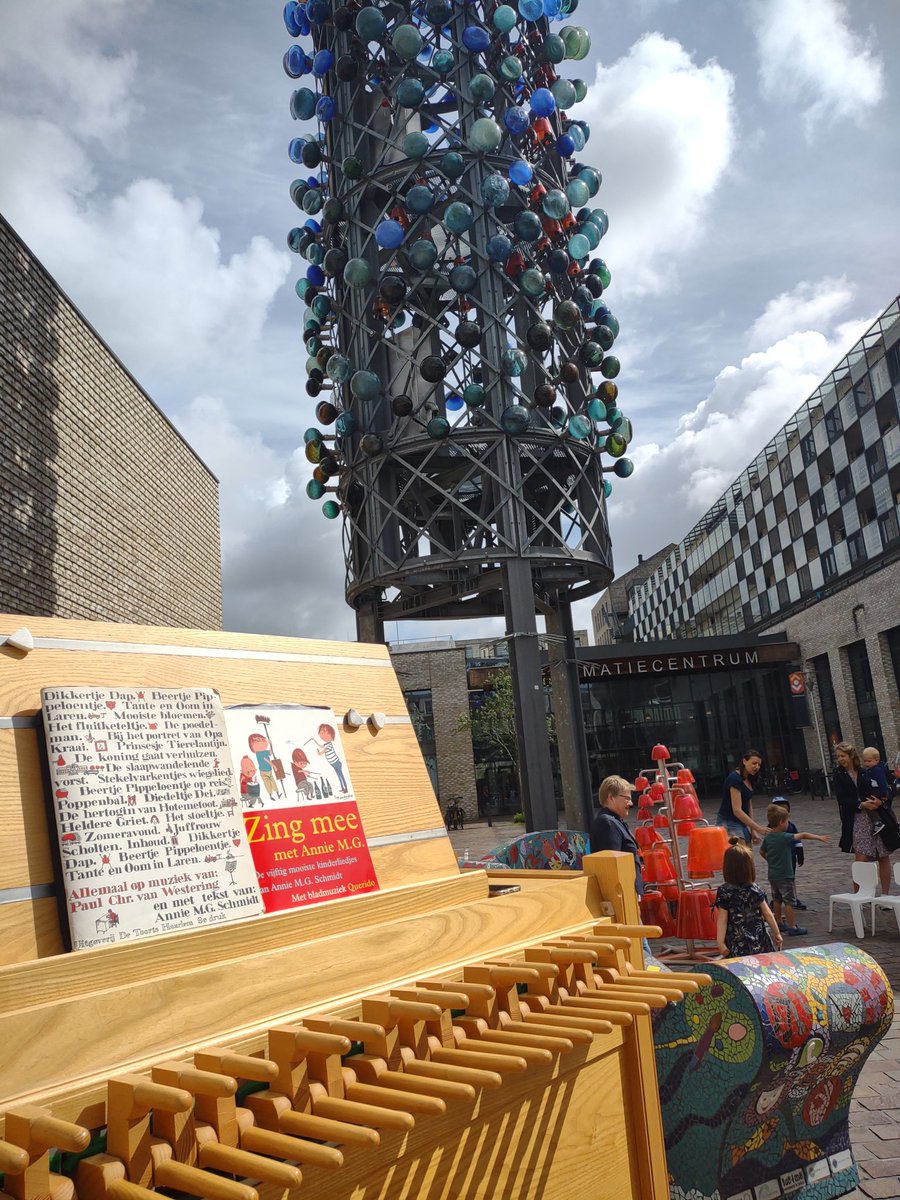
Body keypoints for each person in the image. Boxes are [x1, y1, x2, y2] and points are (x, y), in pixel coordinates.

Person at [760, 803, 830, 936]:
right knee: (789, 902)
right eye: (786, 821)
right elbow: (802, 835)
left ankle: (779, 922)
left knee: (776, 899)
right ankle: (792, 926)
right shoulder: (785, 837)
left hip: (773, 874)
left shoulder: (768, 837)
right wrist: (819, 837)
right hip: (786, 874)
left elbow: (762, 852)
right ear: (781, 822)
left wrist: (770, 860)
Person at [834, 741, 890, 894]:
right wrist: (861, 804)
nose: (840, 759)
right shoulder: (839, 775)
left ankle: (885, 894)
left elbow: (883, 786)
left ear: (851, 756)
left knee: (883, 855)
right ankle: (860, 895)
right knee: (861, 857)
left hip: (876, 816)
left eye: (843, 756)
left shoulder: (865, 771)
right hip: (857, 818)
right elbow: (842, 799)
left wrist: (880, 800)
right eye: (838, 756)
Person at [715, 838, 783, 957]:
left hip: (736, 940)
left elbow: (723, 919)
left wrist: (720, 942)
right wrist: (776, 933)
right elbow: (767, 914)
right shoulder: (755, 889)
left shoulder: (725, 891)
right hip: (759, 937)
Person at [716, 749, 767, 844]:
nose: (756, 767)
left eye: (759, 765)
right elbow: (737, 810)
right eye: (754, 763)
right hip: (728, 822)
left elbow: (749, 804)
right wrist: (759, 828)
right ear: (744, 761)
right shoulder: (735, 779)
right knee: (741, 854)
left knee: (748, 854)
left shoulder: (750, 778)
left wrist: (753, 830)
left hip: (741, 823)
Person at [773, 798, 806, 910]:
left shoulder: (791, 827)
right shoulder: (770, 828)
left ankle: (794, 898)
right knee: (777, 879)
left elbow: (798, 841)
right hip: (777, 858)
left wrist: (800, 855)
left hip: (790, 857)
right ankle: (776, 899)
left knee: (790, 878)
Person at [861, 748, 889, 834]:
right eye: (865, 761)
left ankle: (877, 822)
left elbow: (882, 782)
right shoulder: (870, 770)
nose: (866, 763)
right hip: (875, 791)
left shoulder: (877, 770)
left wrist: (883, 793)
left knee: (870, 805)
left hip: (878, 791)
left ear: (877, 760)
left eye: (869, 761)